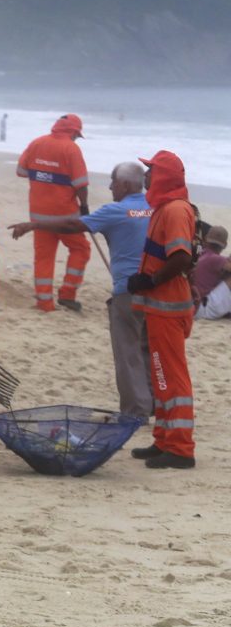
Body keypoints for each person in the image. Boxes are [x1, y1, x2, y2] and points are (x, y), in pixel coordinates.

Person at [9, 161, 152, 419]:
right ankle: (156, 405)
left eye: (113, 182)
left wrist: (34, 225)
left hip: (128, 292)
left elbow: (72, 226)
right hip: (157, 289)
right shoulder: (155, 207)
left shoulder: (116, 211)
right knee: (150, 349)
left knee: (128, 351)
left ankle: (136, 412)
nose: (110, 187)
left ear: (126, 185)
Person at [126, 151, 198, 469]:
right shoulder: (163, 209)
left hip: (169, 309)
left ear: (164, 176)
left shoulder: (176, 210)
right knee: (161, 377)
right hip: (159, 309)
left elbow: (181, 258)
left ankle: (181, 449)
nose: (145, 176)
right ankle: (164, 440)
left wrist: (149, 279)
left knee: (172, 378)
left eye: (150, 171)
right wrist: (143, 282)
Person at [16, 113, 90, 312]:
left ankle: (45, 302)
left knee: (43, 257)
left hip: (38, 215)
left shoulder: (36, 143)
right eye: (76, 135)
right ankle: (67, 294)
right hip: (65, 216)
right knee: (81, 249)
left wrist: (43, 173)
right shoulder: (71, 149)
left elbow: (21, 171)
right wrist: (84, 206)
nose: (76, 138)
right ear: (73, 132)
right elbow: (81, 184)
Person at [191, 225, 227, 302]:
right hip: (199, 304)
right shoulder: (217, 259)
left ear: (206, 238)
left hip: (190, 298)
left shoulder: (202, 252)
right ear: (225, 245)